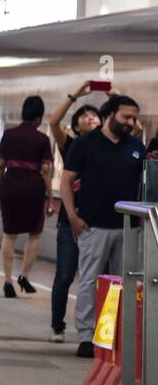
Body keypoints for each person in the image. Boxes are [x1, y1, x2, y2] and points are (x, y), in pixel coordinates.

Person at [61, 94, 145, 358]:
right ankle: (86, 336)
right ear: (110, 115)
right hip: (93, 226)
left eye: (134, 118)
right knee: (89, 281)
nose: (131, 122)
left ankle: (107, 335)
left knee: (120, 284)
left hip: (128, 228)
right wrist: (73, 217)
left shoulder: (135, 147)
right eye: (126, 117)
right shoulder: (85, 144)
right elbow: (66, 181)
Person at [46, 85, 102, 343]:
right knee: (65, 274)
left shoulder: (109, 148)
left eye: (95, 115)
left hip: (99, 223)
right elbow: (54, 121)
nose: (91, 118)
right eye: (85, 116)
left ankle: (99, 329)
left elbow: (134, 130)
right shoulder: (71, 146)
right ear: (77, 127)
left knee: (99, 278)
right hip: (70, 222)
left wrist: (114, 98)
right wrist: (74, 96)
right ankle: (57, 325)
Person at [0, 95, 54, 298]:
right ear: (39, 117)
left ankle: (7, 281)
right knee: (34, 234)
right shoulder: (43, 140)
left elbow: (1, 165)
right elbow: (46, 170)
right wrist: (50, 198)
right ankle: (25, 276)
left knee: (9, 234)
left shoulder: (9, 135)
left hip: (10, 187)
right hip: (33, 189)